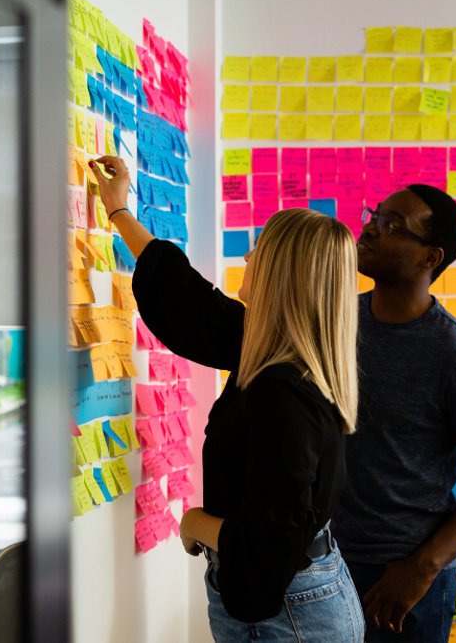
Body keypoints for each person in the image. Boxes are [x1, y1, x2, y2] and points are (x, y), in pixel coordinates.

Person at [89, 154, 364, 643]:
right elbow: (189, 301)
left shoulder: (284, 393)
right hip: (302, 599)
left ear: (283, 274)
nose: (248, 258)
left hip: (290, 615)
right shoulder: (280, 349)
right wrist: (119, 212)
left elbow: (270, 544)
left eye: (258, 250)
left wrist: (197, 522)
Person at [331, 184, 456, 640]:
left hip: (400, 577)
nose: (371, 230)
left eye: (393, 225)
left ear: (429, 258)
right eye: (375, 216)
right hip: (325, 561)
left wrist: (422, 568)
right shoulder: (337, 319)